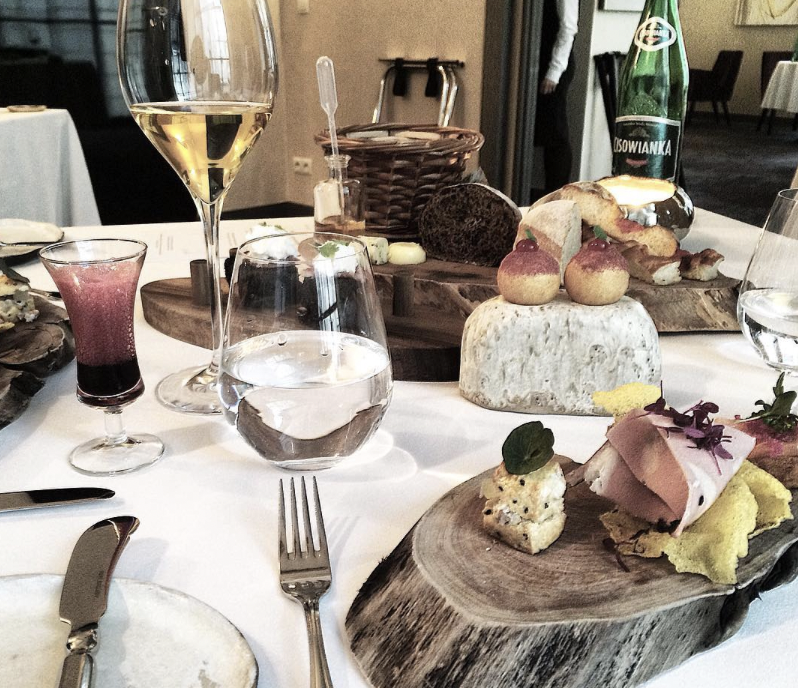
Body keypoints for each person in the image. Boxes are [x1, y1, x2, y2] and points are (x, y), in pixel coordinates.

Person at [534, 0, 579, 200]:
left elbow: (568, 27)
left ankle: (557, 194)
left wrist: (554, 72)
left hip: (554, 67)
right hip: (541, 61)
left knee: (556, 133)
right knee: (548, 132)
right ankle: (549, 194)